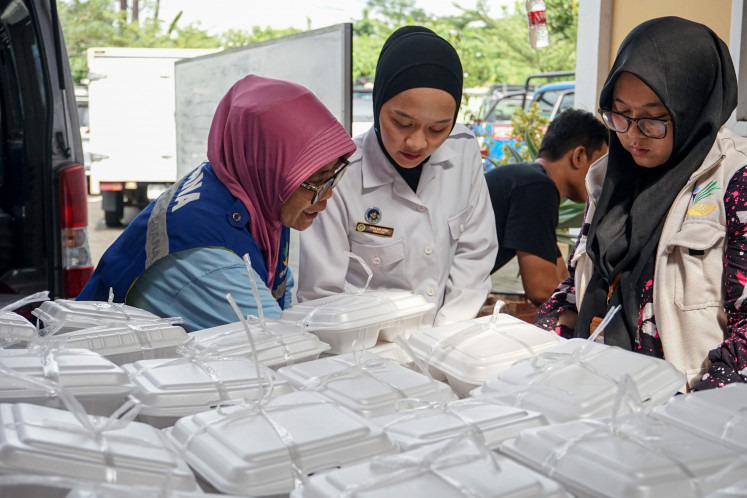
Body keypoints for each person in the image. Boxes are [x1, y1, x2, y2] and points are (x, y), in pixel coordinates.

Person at [534, 16, 747, 391]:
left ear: (693, 106)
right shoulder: (608, 179)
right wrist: (541, 346)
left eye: (652, 119)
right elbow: (577, 282)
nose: (633, 135)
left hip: (687, 417)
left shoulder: (734, 181)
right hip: (599, 395)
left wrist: (689, 412)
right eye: (620, 113)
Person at [77, 75, 356, 331]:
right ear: (266, 166)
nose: (327, 195)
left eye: (333, 176)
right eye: (316, 181)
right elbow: (280, 348)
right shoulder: (209, 255)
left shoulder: (257, 196)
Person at [297, 26, 498, 326]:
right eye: (402, 123)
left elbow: (475, 251)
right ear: (378, 104)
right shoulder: (341, 173)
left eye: (437, 129)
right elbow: (321, 293)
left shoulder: (463, 151)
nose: (417, 143)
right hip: (364, 349)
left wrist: (445, 334)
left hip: (442, 341)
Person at [485, 109, 608, 307]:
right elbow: (541, 290)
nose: (603, 182)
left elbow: (560, 277)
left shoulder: (527, 181)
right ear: (579, 156)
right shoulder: (536, 188)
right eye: (600, 169)